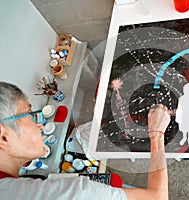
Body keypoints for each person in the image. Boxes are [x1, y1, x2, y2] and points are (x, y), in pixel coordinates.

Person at [0, 82, 170, 200]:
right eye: (30, 115)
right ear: (3, 136)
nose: (40, 126)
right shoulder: (70, 194)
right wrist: (156, 134)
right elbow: (157, 197)